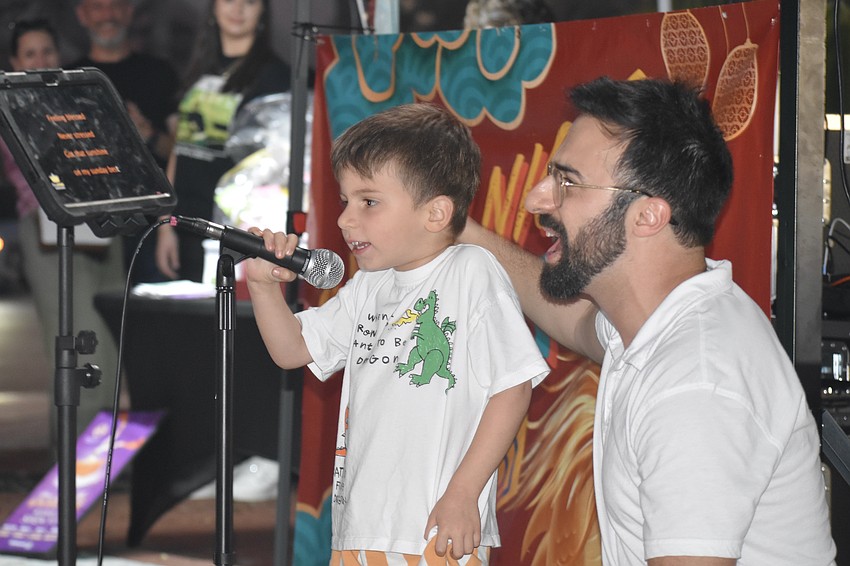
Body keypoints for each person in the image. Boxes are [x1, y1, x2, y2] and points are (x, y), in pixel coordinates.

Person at [458, 76, 837, 565]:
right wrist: (462, 233)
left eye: (567, 182)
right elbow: (575, 323)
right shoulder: (661, 323)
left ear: (648, 216)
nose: (537, 199)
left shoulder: (696, 382)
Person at [244, 103, 550, 564]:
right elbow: (294, 351)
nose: (347, 219)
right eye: (345, 200)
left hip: (433, 531)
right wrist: (262, 287)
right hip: (359, 529)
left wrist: (463, 494)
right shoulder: (370, 283)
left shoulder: (471, 271)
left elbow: (512, 387)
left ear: (436, 213)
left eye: (368, 202)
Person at [1, 19, 125, 439]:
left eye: (46, 51)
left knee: (110, 347)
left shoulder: (80, 99)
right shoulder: (10, 107)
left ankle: (100, 463)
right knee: (76, 347)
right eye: (30, 53)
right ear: (15, 61)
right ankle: (68, 467)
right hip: (50, 235)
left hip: (99, 228)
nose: (40, 60)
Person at [155, 0, 291, 283]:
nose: (237, 10)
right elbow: (180, 147)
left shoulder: (275, 76)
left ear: (263, 12)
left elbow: (278, 167)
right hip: (185, 220)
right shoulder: (201, 66)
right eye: (229, 0)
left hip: (232, 228)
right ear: (214, 8)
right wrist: (165, 223)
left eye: (249, 2)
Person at [72, 0, 180, 283]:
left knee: (152, 320)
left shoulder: (159, 73)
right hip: (90, 220)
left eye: (116, 6)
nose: (108, 15)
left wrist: (148, 135)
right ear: (82, 15)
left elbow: (183, 152)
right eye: (97, 7)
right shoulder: (68, 79)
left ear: (130, 12)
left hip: (151, 222)